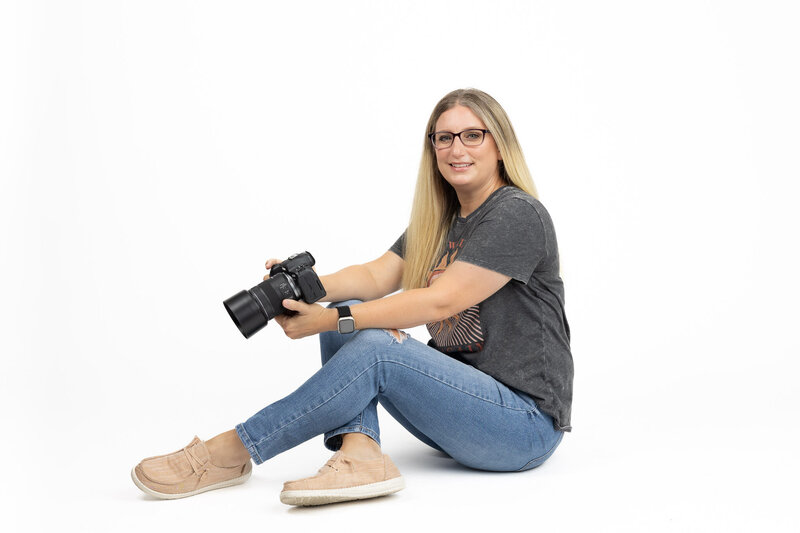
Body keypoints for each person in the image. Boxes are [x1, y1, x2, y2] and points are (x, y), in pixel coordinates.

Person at [131, 88, 573, 506]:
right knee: (356, 313)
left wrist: (329, 321)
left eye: (472, 135)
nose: (457, 149)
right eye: (444, 138)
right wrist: (304, 285)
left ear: (499, 145)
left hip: (523, 426)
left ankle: (231, 450)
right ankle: (361, 456)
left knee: (368, 338)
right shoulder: (441, 221)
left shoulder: (516, 214)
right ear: (432, 148)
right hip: (460, 414)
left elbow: (442, 302)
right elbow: (377, 275)